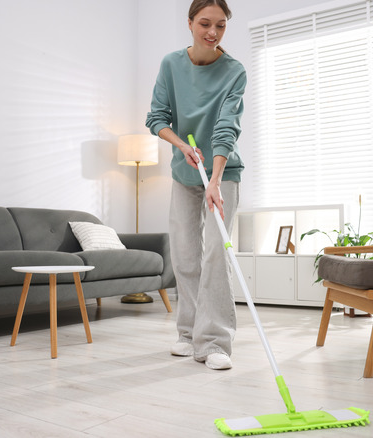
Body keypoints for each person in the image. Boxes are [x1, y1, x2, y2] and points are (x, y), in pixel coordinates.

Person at [145, 0, 246, 370]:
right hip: (185, 171)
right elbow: (157, 117)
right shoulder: (171, 64)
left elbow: (227, 127)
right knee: (185, 255)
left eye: (220, 26)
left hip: (221, 174)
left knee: (216, 254)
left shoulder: (234, 71)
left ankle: (215, 341)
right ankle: (188, 333)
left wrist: (216, 180)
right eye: (205, 23)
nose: (212, 32)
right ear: (190, 23)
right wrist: (183, 146)